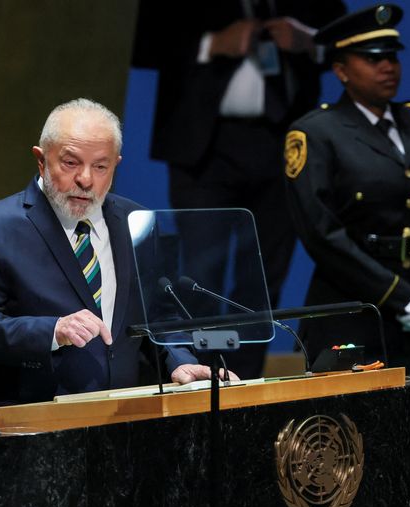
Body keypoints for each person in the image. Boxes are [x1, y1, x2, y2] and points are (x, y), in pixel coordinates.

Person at [0, 99, 236, 436]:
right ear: (41, 160)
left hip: (121, 430)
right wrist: (52, 330)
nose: (86, 179)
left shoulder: (136, 222)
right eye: (70, 163)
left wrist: (180, 360)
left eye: (101, 167)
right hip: (27, 434)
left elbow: (157, 317)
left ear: (116, 165)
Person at [132, 0, 347, 379]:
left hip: (283, 143)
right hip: (203, 147)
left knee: (263, 279)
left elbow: (346, 37)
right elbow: (141, 44)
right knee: (200, 276)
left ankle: (244, 386)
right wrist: (211, 43)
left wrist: (309, 42)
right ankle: (200, 380)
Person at [284, 4, 410, 374]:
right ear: (341, 71)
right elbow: (322, 234)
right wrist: (399, 295)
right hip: (349, 314)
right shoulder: (316, 133)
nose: (388, 67)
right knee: (346, 430)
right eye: (372, 58)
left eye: (392, 57)